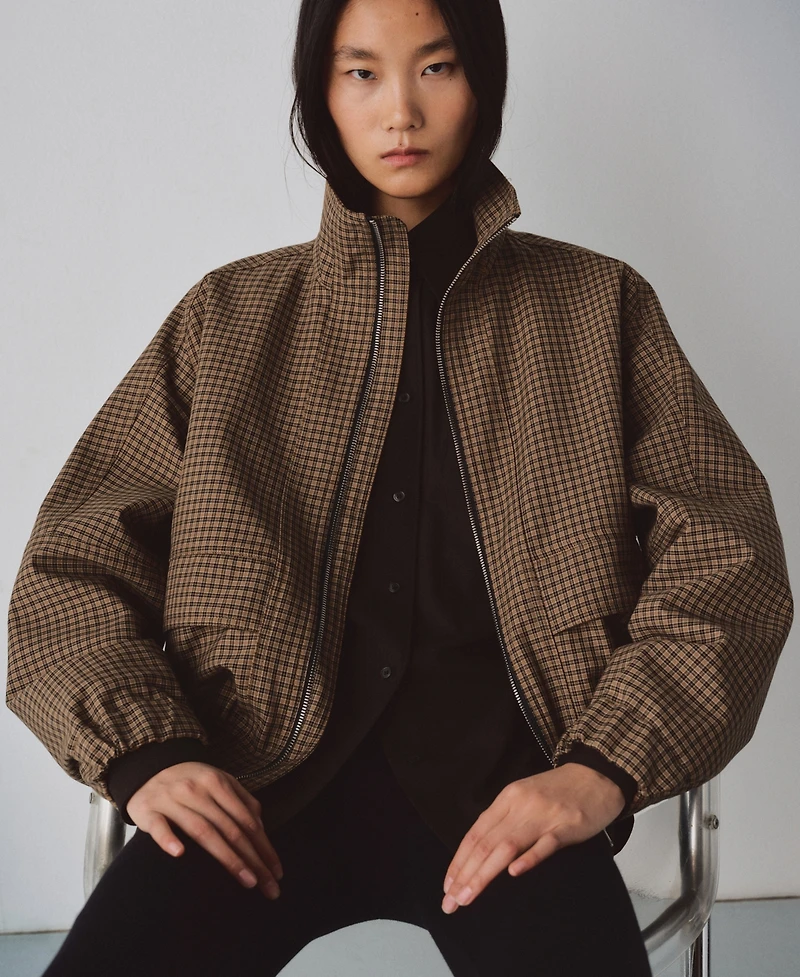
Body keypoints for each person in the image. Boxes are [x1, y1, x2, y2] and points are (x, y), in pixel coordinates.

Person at [5, 0, 793, 974]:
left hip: (514, 798)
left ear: (483, 82)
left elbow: (728, 560)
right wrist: (148, 754)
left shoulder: (599, 307)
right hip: (254, 785)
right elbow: (73, 566)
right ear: (320, 94)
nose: (400, 113)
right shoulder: (229, 317)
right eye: (361, 73)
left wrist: (601, 766)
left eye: (436, 67)